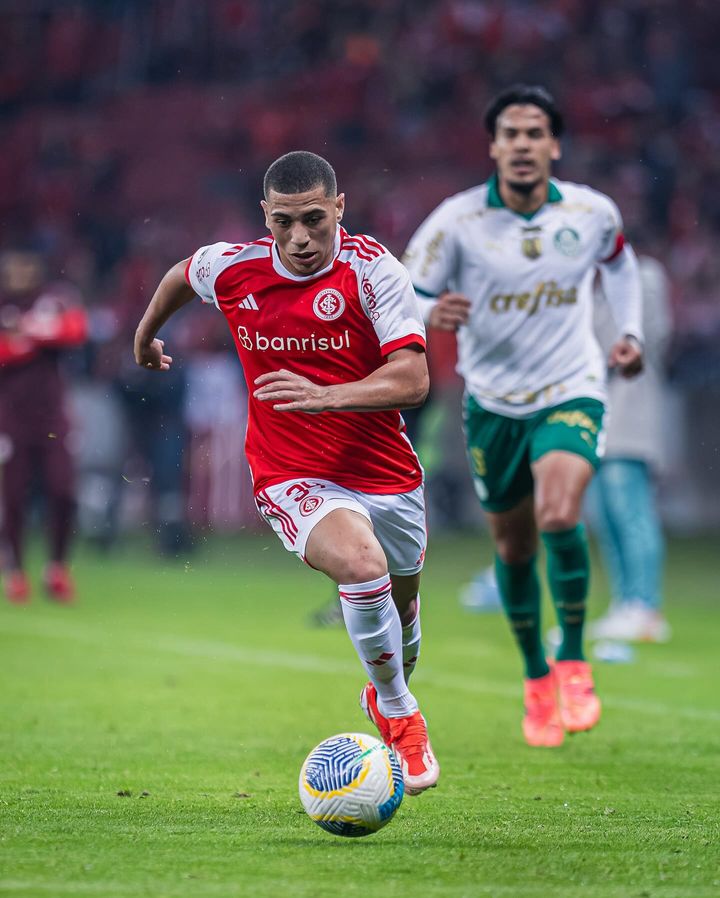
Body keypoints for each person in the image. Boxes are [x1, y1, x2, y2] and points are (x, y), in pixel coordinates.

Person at [133, 150, 439, 794]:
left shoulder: (373, 271)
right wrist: (145, 336)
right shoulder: (236, 268)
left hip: (385, 472)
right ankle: (401, 714)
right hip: (289, 471)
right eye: (284, 223)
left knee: (404, 623)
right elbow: (181, 275)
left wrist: (331, 395)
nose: (300, 238)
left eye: (314, 220)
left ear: (339, 210)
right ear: (265, 218)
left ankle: (387, 687)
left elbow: (414, 378)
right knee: (362, 565)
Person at [403, 85, 644, 748]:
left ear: (554, 146)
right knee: (513, 546)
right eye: (510, 134)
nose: (522, 145)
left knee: (560, 513)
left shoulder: (591, 212)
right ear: (493, 148)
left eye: (534, 133)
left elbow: (619, 265)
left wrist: (630, 332)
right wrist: (429, 312)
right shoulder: (457, 221)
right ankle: (536, 677)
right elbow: (401, 286)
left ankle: (572, 659)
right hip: (492, 404)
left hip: (572, 387)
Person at [586, 255, 673, 643]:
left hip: (630, 416)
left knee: (631, 512)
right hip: (597, 420)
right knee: (605, 516)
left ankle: (645, 606)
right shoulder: (593, 286)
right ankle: (626, 603)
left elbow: (622, 342)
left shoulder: (646, 275)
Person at [0, 249, 88, 603]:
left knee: (63, 491)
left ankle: (56, 567)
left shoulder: (55, 298)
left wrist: (24, 333)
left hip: (53, 419)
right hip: (10, 419)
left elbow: (76, 331)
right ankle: (17, 571)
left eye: (24, 266)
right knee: (15, 497)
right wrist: (40, 336)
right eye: (12, 268)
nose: (18, 274)